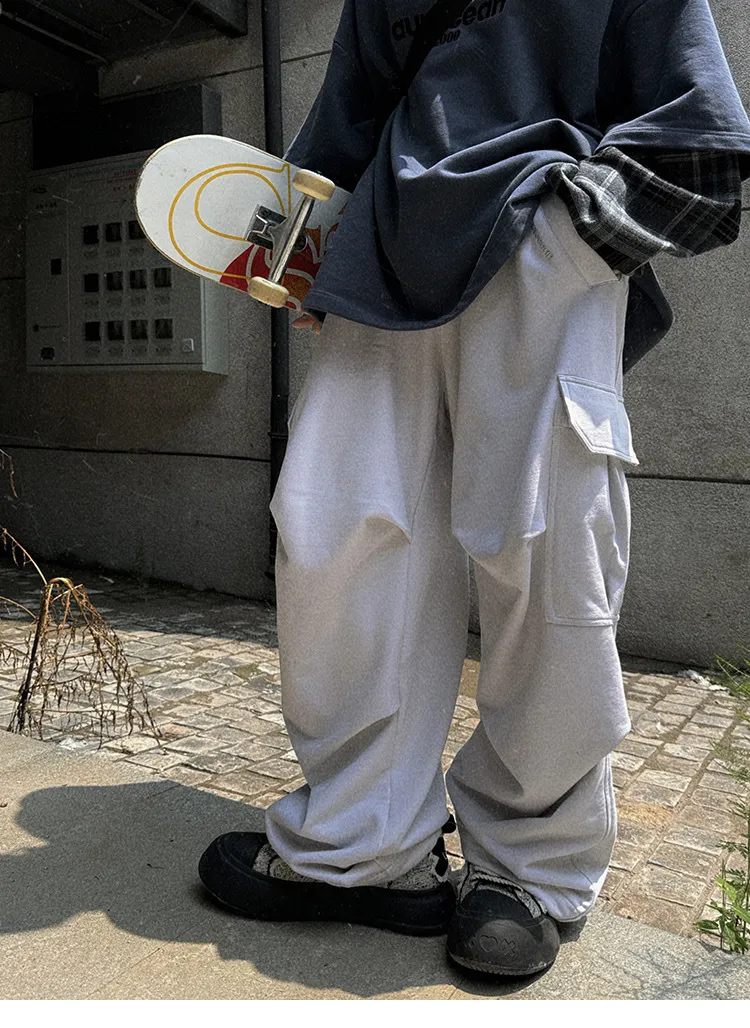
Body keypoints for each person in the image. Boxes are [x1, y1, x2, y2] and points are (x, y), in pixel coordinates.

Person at [200, 0, 750, 977]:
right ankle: (366, 845)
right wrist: (305, 256)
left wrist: (570, 235)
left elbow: (698, 127)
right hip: (379, 253)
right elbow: (345, 117)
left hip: (541, 236)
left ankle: (529, 869)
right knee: (335, 535)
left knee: (547, 545)